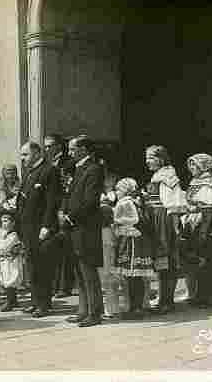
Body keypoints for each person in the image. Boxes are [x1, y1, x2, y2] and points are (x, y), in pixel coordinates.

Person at [180, 153, 212, 308]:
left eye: (195, 165)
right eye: (191, 165)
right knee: (199, 260)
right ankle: (200, 295)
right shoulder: (196, 182)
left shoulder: (208, 184)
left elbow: (208, 210)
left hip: (206, 225)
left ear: (203, 166)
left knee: (207, 260)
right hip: (196, 223)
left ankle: (207, 296)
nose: (192, 168)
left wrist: (203, 231)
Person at [63, 135, 104, 328]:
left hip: (85, 227)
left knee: (88, 270)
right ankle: (83, 309)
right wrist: (63, 212)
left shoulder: (94, 169)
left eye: (72, 149)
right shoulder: (78, 168)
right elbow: (70, 195)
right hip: (74, 227)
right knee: (79, 270)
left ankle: (95, 312)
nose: (70, 153)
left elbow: (90, 201)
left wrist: (71, 216)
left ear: (84, 150)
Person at [141, 145, 187, 315]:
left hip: (164, 221)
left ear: (160, 159)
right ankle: (163, 300)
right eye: (146, 158)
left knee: (167, 261)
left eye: (151, 158)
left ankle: (167, 301)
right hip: (156, 218)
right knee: (162, 263)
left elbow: (172, 203)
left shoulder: (167, 176)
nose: (147, 161)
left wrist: (174, 227)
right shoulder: (158, 175)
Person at [17, 141, 59, 318]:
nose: (22, 158)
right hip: (27, 226)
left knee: (42, 266)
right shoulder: (28, 172)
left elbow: (51, 201)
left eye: (25, 154)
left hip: (40, 227)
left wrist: (47, 226)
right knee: (32, 266)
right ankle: (35, 301)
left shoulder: (49, 171)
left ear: (36, 153)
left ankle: (44, 304)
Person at [111, 178, 156, 320]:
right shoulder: (135, 201)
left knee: (133, 276)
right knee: (133, 277)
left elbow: (130, 220)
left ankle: (136, 308)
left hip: (131, 240)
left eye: (118, 189)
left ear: (125, 190)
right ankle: (135, 307)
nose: (116, 192)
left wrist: (117, 223)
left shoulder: (126, 202)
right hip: (134, 239)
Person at [44, 134, 77, 300]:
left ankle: (65, 286)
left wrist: (64, 209)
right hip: (52, 210)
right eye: (46, 146)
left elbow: (68, 188)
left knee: (65, 250)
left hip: (64, 209)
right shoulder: (48, 163)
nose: (47, 149)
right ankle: (54, 285)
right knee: (53, 248)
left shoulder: (68, 163)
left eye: (50, 146)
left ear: (58, 146)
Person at [99, 168, 121, 319]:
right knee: (106, 273)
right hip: (106, 235)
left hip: (108, 235)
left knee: (108, 272)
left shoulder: (113, 201)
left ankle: (112, 307)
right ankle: (110, 306)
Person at [0, 209, 26, 312]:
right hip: (4, 261)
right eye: (2, 221)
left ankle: (10, 301)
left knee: (11, 279)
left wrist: (1, 250)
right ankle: (13, 300)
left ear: (13, 223)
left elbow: (6, 247)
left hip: (12, 261)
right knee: (5, 278)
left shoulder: (14, 235)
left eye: (6, 221)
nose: (4, 223)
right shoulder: (3, 234)